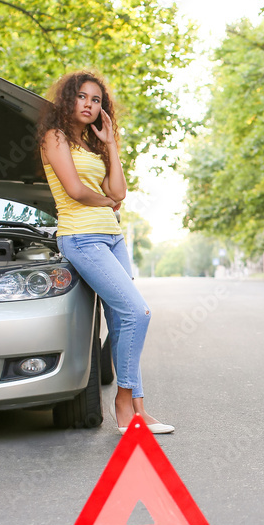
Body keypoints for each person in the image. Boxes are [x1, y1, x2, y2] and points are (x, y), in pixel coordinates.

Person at [38, 70, 173, 435]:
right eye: (82, 97)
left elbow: (120, 191)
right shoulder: (55, 137)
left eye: (96, 100)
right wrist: (108, 202)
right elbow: (76, 191)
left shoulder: (92, 145)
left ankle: (140, 410)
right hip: (82, 238)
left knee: (121, 322)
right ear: (68, 99)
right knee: (137, 312)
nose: (89, 105)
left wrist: (111, 144)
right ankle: (122, 401)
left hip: (112, 239)